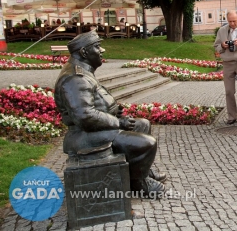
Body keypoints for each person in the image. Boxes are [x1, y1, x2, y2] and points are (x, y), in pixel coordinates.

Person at [53, 31, 166, 197]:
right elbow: (85, 116)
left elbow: (91, 104)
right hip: (84, 136)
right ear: (84, 52)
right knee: (147, 143)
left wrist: (112, 110)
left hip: (92, 130)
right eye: (97, 47)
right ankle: (138, 184)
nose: (102, 50)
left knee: (142, 124)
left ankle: (142, 172)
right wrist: (118, 122)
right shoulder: (75, 78)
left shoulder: (82, 71)